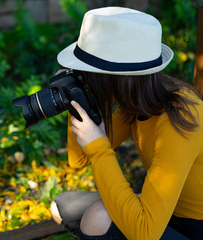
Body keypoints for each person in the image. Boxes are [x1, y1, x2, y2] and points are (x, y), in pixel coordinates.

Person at [49, 7, 203, 240]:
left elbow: (146, 233)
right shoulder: (136, 101)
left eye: (87, 72)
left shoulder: (180, 118)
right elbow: (77, 159)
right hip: (165, 213)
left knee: (99, 217)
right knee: (61, 206)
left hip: (193, 228)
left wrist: (99, 148)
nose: (84, 77)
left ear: (112, 78)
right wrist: (75, 99)